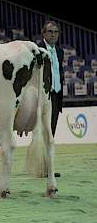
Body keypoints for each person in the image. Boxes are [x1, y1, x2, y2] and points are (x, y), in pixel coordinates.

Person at [38, 21, 64, 178]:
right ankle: (42, 167)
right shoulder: (38, 50)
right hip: (42, 96)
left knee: (51, 132)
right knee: (42, 131)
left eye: (56, 32)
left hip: (56, 96)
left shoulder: (60, 52)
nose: (53, 34)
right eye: (50, 31)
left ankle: (47, 167)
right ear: (44, 34)